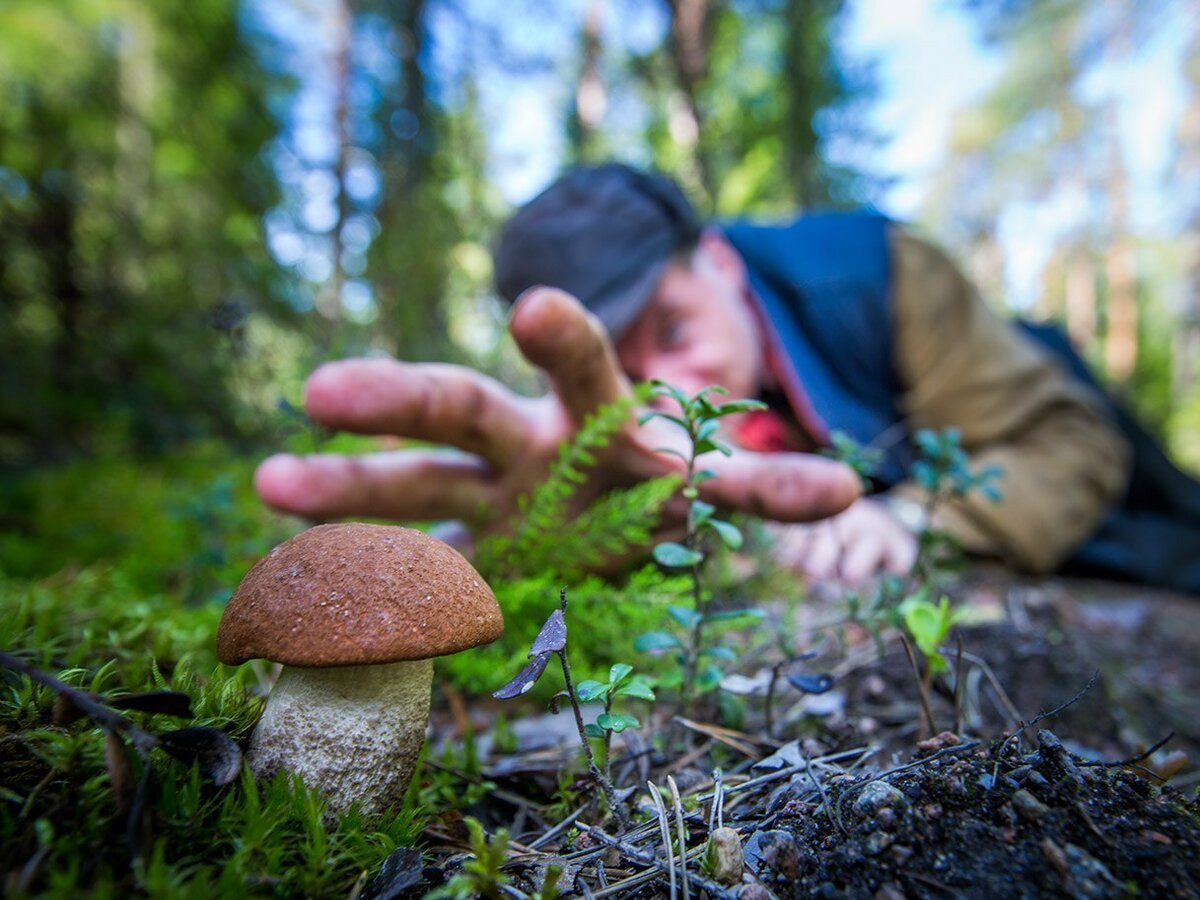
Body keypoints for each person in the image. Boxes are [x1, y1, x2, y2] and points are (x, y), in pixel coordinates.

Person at [255, 163, 1200, 591]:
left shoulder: (878, 277)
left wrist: (914, 516)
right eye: (628, 369)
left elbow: (1071, 443)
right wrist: (588, 528)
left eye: (670, 326)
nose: (673, 381)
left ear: (714, 256)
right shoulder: (654, 428)